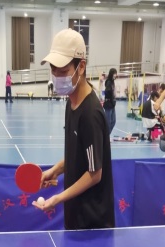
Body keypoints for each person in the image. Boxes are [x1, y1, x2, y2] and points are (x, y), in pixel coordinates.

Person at [33, 28, 114, 230]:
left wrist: (57, 198)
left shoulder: (90, 113)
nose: (56, 76)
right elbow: (78, 155)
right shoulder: (71, 103)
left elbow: (94, 173)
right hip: (76, 214)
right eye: (53, 70)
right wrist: (55, 170)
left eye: (63, 71)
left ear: (81, 66)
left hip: (92, 223)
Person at [103, 68, 117, 134]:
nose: (115, 75)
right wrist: (111, 99)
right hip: (108, 104)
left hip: (112, 104)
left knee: (113, 121)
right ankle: (106, 136)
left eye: (116, 73)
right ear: (111, 74)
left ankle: (107, 135)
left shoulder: (112, 82)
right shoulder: (108, 82)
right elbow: (107, 92)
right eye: (114, 73)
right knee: (108, 123)